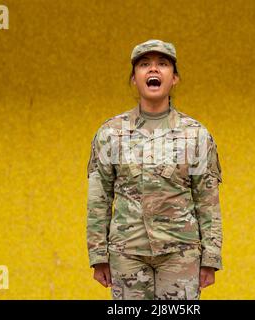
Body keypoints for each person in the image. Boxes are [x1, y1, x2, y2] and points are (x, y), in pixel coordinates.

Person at [86, 39, 223, 300]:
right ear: (134, 79)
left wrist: (211, 257)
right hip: (126, 252)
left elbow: (207, 201)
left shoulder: (196, 135)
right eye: (144, 64)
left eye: (163, 64)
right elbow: (98, 199)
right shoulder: (110, 133)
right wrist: (98, 254)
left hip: (181, 253)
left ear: (174, 79)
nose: (153, 70)